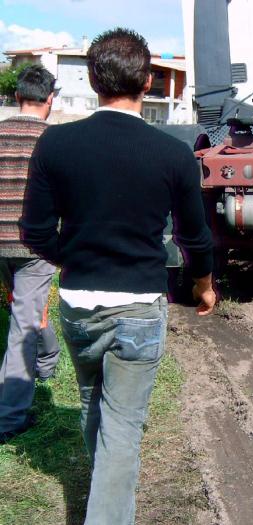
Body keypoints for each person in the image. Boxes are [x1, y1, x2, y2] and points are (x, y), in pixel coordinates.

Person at [20, 28, 216, 524]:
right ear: (147, 81)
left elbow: (34, 230)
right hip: (138, 308)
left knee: (93, 403)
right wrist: (203, 284)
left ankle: (105, 487)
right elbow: (195, 237)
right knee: (123, 428)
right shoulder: (173, 154)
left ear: (92, 79)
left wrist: (72, 258)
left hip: (80, 302)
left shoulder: (56, 144)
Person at [0, 64, 60, 444]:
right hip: (34, 246)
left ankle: (47, 363)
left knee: (24, 310)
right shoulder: (54, 141)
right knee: (24, 322)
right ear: (49, 99)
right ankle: (9, 420)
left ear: (17, 96)